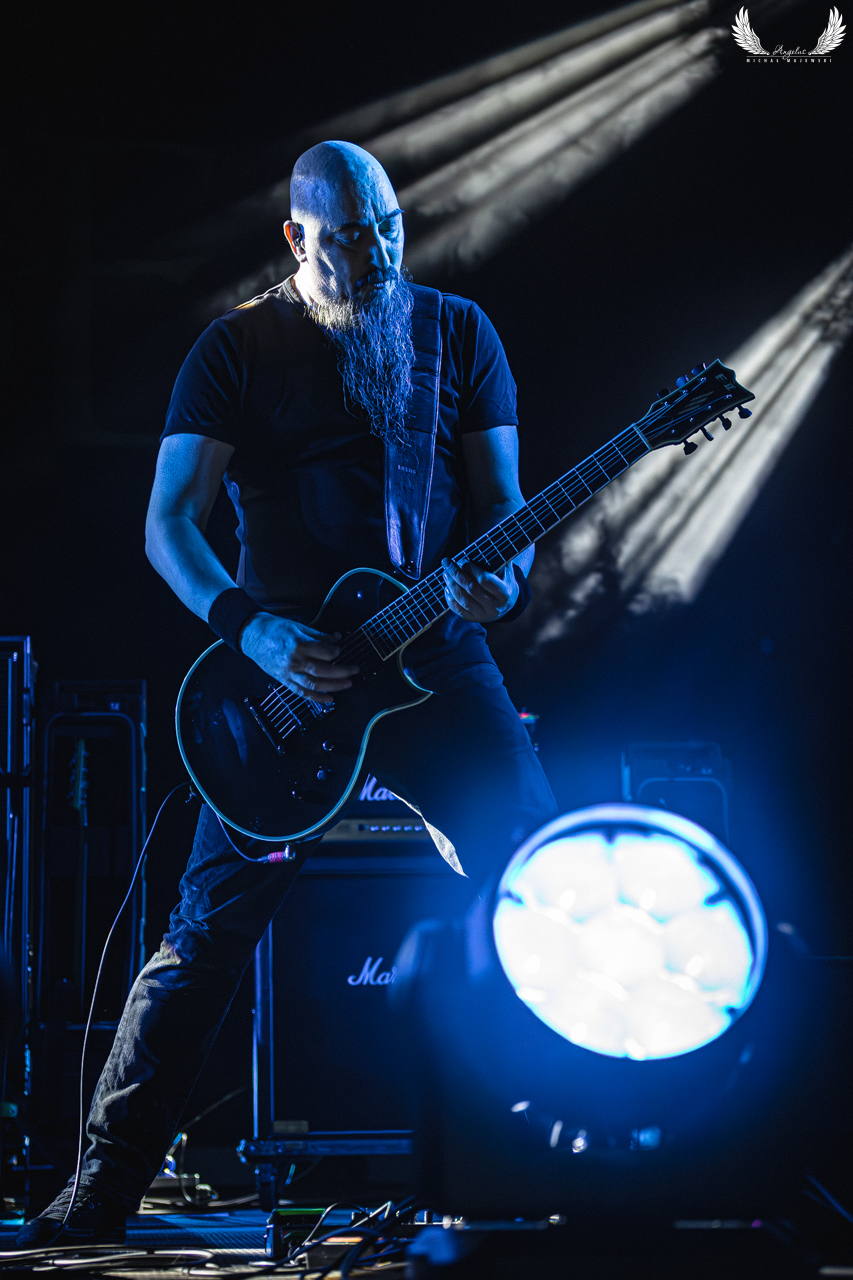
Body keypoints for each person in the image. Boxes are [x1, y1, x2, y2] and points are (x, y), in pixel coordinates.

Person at [18, 141, 556, 1247]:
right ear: (297, 237)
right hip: (287, 685)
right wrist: (250, 629)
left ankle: (560, 1152)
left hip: (434, 659)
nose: (376, 255)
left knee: (540, 880)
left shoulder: (459, 332)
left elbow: (504, 510)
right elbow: (170, 523)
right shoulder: (236, 347)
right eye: (349, 238)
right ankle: (101, 1189)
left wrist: (502, 581)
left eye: (388, 230)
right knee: (204, 936)